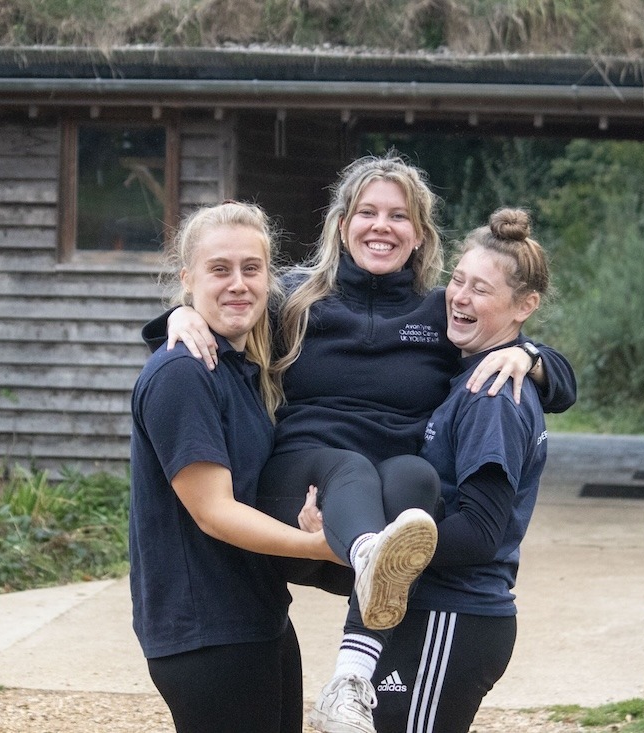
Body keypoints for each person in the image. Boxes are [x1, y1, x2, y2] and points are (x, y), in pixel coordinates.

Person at [145, 153, 577, 733]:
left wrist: (530, 354)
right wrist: (177, 316)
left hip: (384, 497)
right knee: (349, 465)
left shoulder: (440, 311)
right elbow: (229, 300)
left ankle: (353, 673)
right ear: (342, 223)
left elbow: (557, 380)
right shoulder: (296, 301)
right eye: (367, 211)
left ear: (420, 233)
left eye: (398, 215)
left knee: (416, 478)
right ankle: (370, 556)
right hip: (308, 484)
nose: (381, 225)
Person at [128, 201, 343, 733]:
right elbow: (214, 512)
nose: (238, 284)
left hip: (255, 619)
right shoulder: (184, 373)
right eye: (219, 269)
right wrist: (319, 547)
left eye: (252, 268)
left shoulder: (240, 369)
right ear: (187, 279)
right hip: (207, 633)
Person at [369, 206, 556, 732]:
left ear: (525, 306)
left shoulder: (490, 396)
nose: (460, 297)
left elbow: (479, 532)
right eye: (457, 280)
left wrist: (380, 549)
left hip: (455, 616)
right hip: (436, 613)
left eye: (481, 290)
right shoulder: (470, 372)